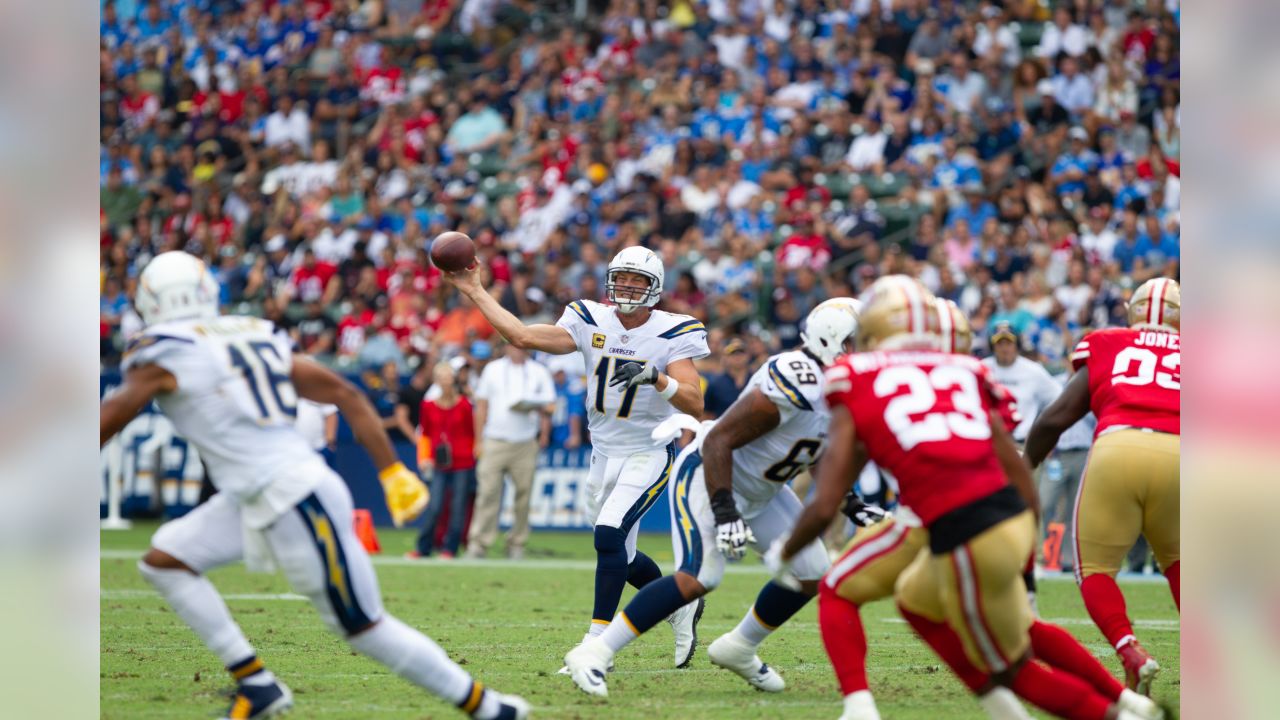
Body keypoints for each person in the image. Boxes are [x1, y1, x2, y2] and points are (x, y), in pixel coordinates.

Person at [100, 252, 528, 720]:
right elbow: (344, 392)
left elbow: (110, 417)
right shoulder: (252, 331)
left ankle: (490, 709)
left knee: (364, 627)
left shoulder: (164, 348)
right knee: (166, 561)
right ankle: (258, 685)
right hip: (256, 493)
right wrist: (391, 472)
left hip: (293, 495)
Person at [771, 277, 1160, 720]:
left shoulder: (857, 376)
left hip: (959, 525)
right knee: (921, 604)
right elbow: (1020, 472)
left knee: (1007, 666)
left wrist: (785, 552)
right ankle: (1113, 702)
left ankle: (1122, 717)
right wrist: (1027, 568)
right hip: (1005, 516)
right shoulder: (969, 373)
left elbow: (826, 500)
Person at [563, 298, 859, 697]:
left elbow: (813, 448)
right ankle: (595, 651)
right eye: (861, 342)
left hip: (763, 490)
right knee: (700, 575)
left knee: (811, 571)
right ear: (832, 341)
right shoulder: (796, 375)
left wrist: (849, 499)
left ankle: (739, 647)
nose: (870, 352)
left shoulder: (845, 387)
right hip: (711, 474)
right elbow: (719, 438)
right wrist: (725, 510)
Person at [443, 245, 709, 669]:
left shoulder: (674, 331)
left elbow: (695, 403)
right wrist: (475, 289)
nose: (626, 286)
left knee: (608, 537)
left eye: (637, 280)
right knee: (619, 553)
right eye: (621, 277)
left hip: (648, 450)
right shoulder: (589, 317)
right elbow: (522, 336)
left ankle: (595, 644)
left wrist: (656, 377)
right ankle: (679, 602)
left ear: (654, 287)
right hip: (602, 454)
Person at [1025, 278, 1180, 695]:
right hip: (1183, 454)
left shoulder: (1109, 342)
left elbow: (1057, 417)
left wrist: (1026, 465)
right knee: (1183, 563)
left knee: (1093, 568)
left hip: (1119, 445)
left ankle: (1131, 651)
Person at [465, 343, 556, 560]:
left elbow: (551, 406)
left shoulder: (539, 371)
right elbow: (482, 406)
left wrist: (537, 412)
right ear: (506, 348)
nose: (519, 350)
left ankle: (517, 543)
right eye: (514, 346)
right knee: (487, 493)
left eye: (522, 346)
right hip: (494, 440)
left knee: (523, 496)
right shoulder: (493, 369)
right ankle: (479, 543)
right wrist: (478, 440)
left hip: (525, 442)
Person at [411, 361, 478, 560]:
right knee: (435, 505)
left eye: (448, 378)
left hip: (463, 460)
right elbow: (425, 434)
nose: (446, 382)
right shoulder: (428, 406)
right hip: (438, 461)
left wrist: (475, 452)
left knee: (458, 506)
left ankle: (451, 547)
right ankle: (424, 546)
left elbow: (472, 432)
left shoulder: (465, 405)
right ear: (436, 382)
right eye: (441, 379)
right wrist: (423, 458)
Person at [982, 323, 1063, 444]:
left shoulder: (1033, 370)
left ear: (1017, 345)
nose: (1004, 348)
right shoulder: (982, 369)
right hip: (989, 441)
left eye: (1009, 343)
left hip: (1021, 441)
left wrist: (1041, 429)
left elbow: (1058, 399)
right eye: (999, 343)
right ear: (992, 346)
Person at [703, 338, 752, 418]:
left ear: (748, 355)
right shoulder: (715, 384)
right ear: (725, 357)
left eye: (741, 352)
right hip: (724, 429)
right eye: (733, 353)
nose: (737, 356)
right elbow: (706, 414)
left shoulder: (758, 380)